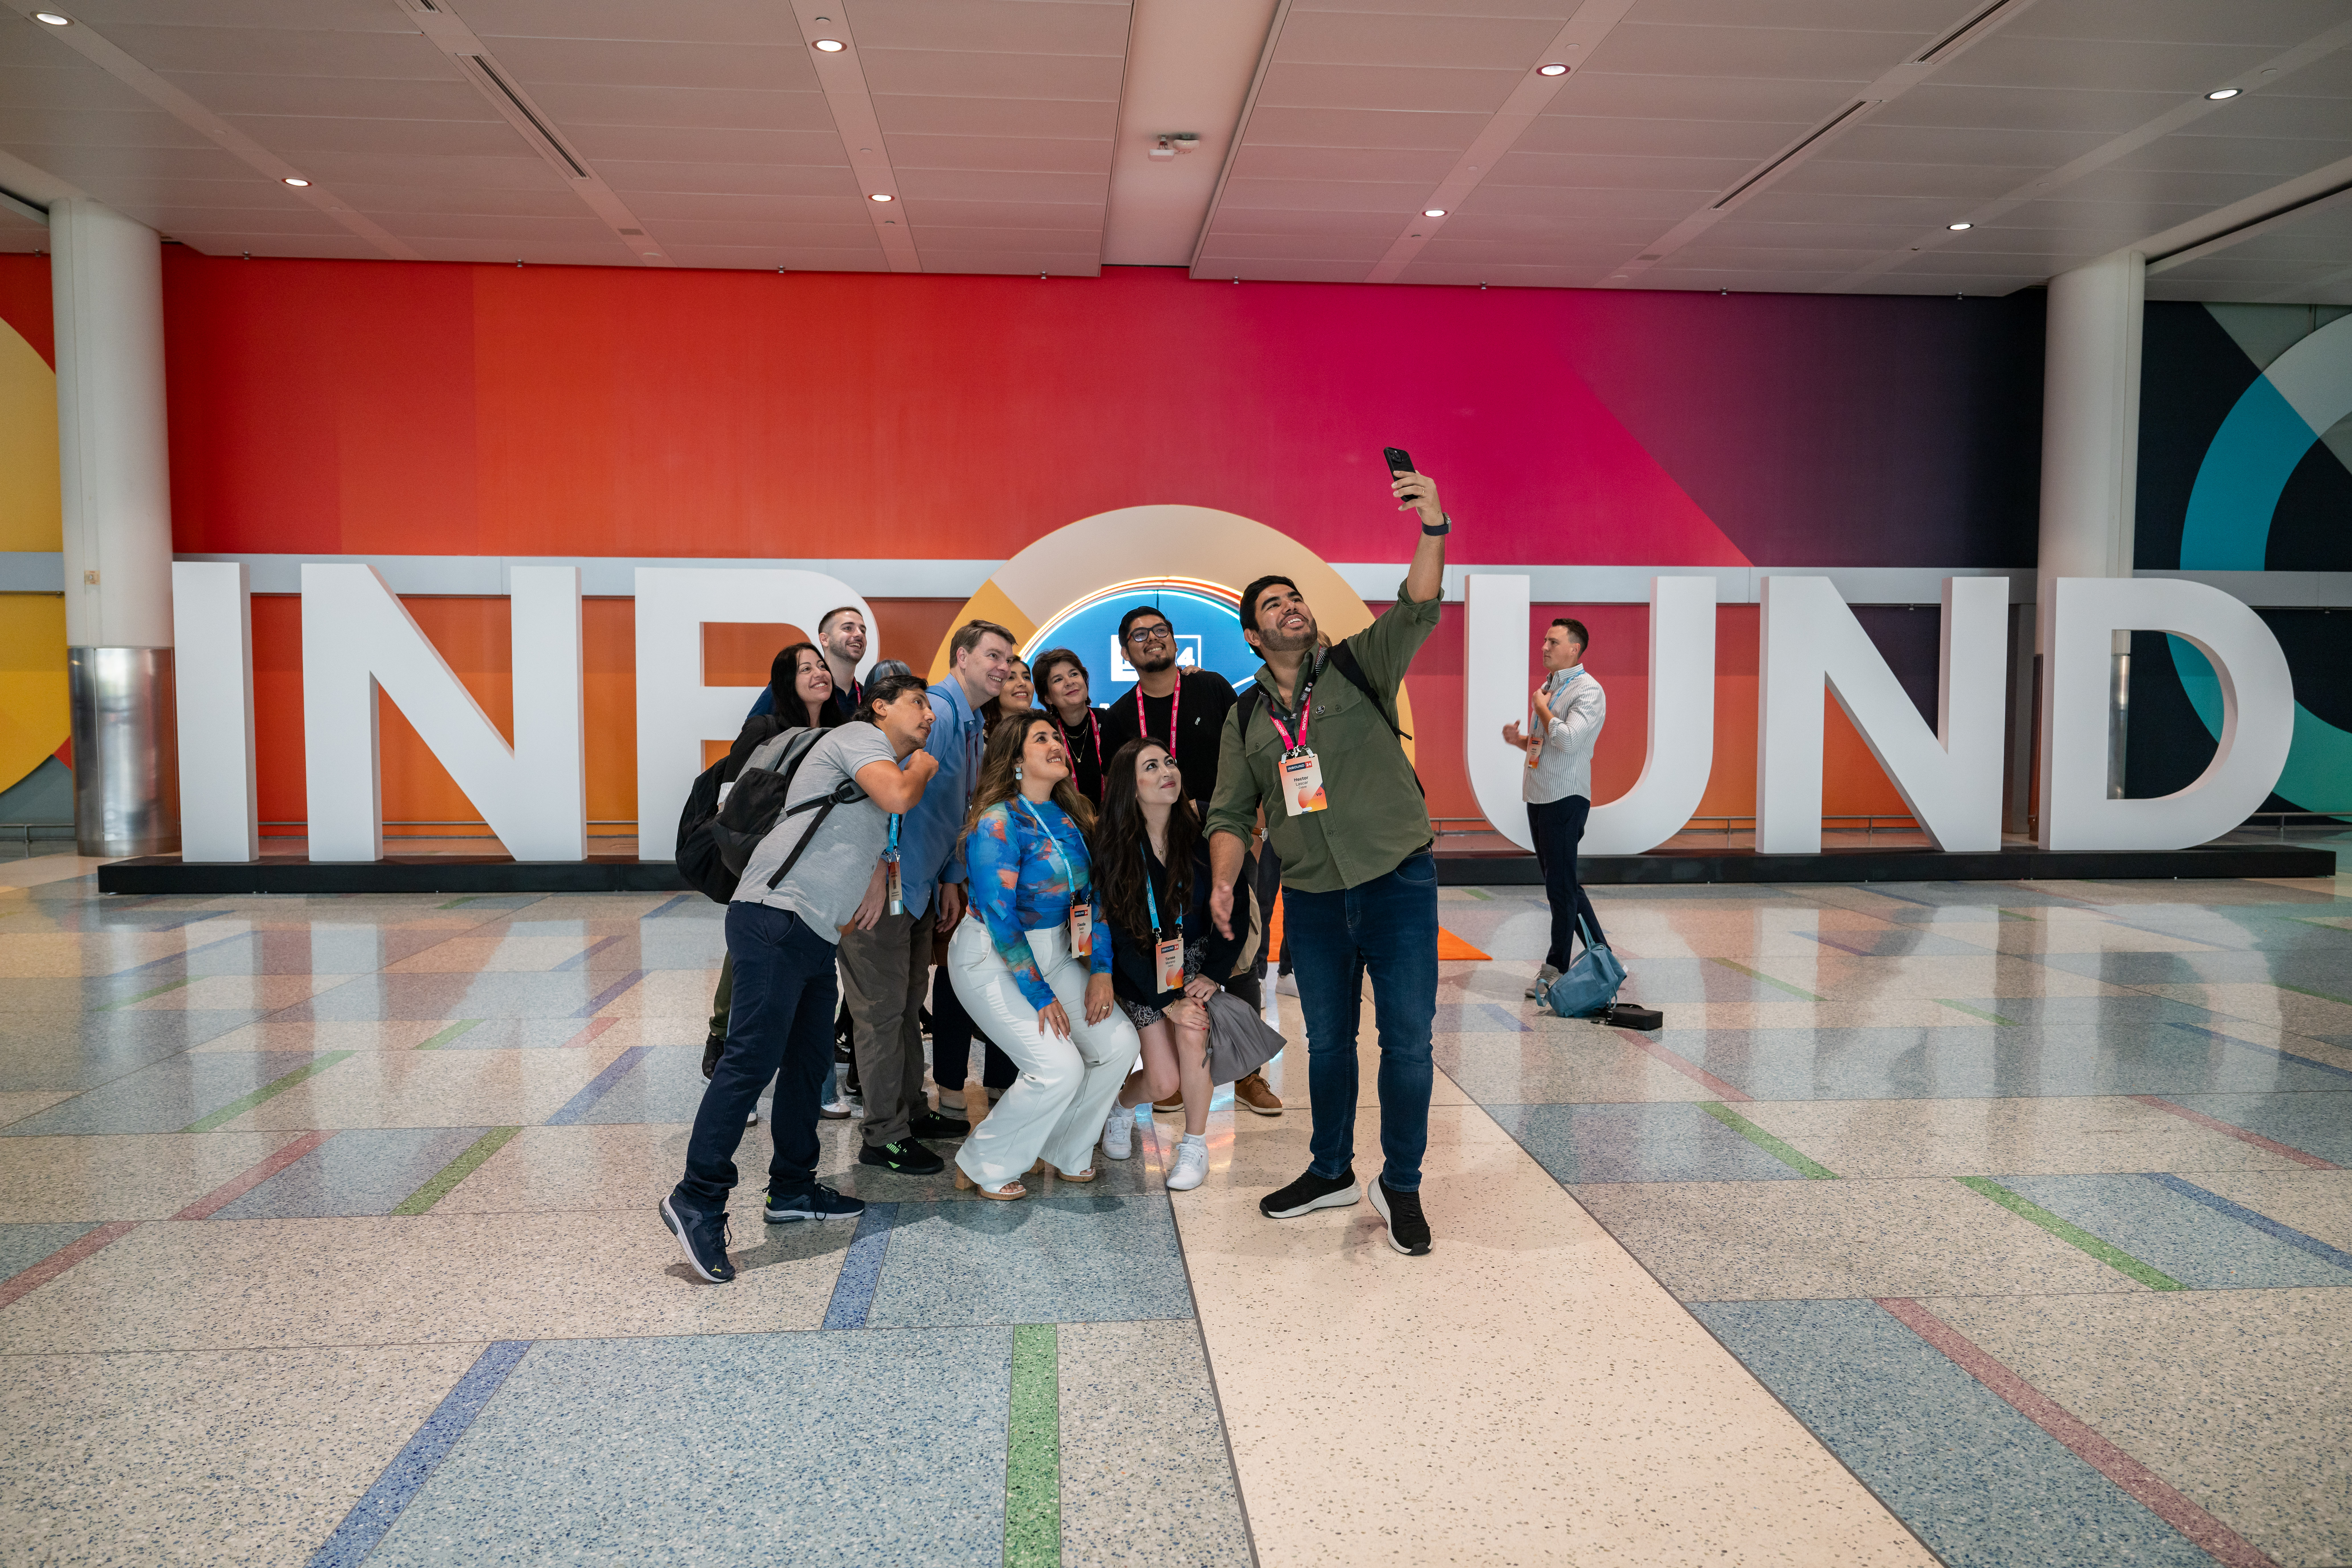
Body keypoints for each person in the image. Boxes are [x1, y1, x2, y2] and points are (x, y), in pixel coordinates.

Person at [1204, 463, 1449, 1257]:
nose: (1292, 609)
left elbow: (1418, 603)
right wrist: (1222, 876)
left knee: (1408, 1041)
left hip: (1397, 880)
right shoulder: (1246, 717)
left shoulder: (1356, 665)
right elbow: (1232, 811)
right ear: (1252, 633)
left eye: (1296, 599)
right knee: (1330, 1044)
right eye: (1274, 604)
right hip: (1310, 896)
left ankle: (1401, 1186)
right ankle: (1331, 1170)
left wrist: (1433, 526)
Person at [660, 672, 941, 1284]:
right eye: (918, 704)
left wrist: (880, 867)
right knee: (750, 1063)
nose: (928, 715)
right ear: (881, 707)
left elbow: (861, 824)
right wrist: (924, 766)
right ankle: (698, 1198)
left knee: (810, 1065)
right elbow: (897, 795)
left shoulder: (867, 758)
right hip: (774, 916)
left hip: (813, 931)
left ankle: (791, 1188)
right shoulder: (860, 737)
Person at [836, 620, 1013, 1171]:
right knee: (883, 1012)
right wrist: (876, 866)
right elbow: (882, 795)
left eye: (1008, 658)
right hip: (882, 890)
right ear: (961, 657)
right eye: (992, 655)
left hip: (917, 889)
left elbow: (953, 809)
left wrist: (951, 877)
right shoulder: (932, 713)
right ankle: (883, 1132)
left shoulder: (971, 723)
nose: (1003, 666)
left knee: (909, 1005)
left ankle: (910, 1108)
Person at [1102, 603, 1284, 1118]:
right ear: (1126, 652)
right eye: (1139, 635)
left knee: (1239, 954)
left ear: (1175, 641)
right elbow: (1116, 790)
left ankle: (1249, 1074)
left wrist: (1249, 832)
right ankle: (1177, 1074)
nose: (1151, 639)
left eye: (1160, 631)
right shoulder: (1119, 716)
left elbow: (1248, 759)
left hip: (1219, 839)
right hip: (1155, 847)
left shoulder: (1211, 690)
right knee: (1159, 940)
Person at [949, 715, 1138, 1198]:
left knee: (1119, 1044)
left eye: (1056, 736)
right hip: (992, 958)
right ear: (1016, 761)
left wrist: (1100, 969)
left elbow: (1093, 899)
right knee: (1059, 1066)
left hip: (1056, 951)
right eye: (1042, 738)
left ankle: (1062, 1146)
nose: (1056, 743)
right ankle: (984, 1159)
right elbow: (1000, 917)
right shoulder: (997, 821)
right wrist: (1040, 994)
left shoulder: (1071, 816)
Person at [704, 641, 850, 1120]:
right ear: (785, 681)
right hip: (768, 864)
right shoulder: (766, 728)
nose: (818, 673)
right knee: (754, 969)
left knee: (812, 974)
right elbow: (733, 797)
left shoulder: (843, 732)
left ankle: (817, 1081)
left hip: (818, 869)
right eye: (805, 667)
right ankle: (726, 1056)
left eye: (821, 666)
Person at [1093, 738, 1248, 1191]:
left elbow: (1232, 908)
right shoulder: (1113, 847)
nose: (1168, 772)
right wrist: (1166, 1001)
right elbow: (1121, 939)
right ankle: (1122, 1107)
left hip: (1197, 959)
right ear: (1130, 785)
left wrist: (1213, 975)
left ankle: (1195, 1146)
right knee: (1163, 1084)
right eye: (1152, 767)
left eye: (1170, 763)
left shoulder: (1201, 834)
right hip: (1142, 969)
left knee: (1193, 1029)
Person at [1502, 618, 1606, 1000]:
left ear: (1574, 650)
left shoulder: (1588, 691)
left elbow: (1566, 741)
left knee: (1561, 888)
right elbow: (1545, 743)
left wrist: (1541, 708)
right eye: (1545, 640)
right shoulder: (1551, 687)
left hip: (1566, 800)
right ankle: (1603, 956)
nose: (1544, 647)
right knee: (1561, 885)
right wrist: (1520, 741)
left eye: (1553, 641)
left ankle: (1556, 965)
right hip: (1541, 796)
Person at [749, 606, 869, 723]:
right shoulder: (791, 687)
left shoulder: (868, 696)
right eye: (848, 628)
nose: (860, 634)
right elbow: (751, 735)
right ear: (825, 640)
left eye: (863, 630)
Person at [1034, 647, 1110, 804]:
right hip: (1066, 824)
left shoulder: (1111, 721)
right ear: (1047, 697)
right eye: (1058, 680)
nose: (1070, 682)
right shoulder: (1045, 735)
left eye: (1074, 674)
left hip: (1114, 822)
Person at [981, 655, 1036, 728]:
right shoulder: (977, 735)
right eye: (1011, 678)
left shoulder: (1045, 730)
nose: (1023, 683)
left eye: (1026, 678)